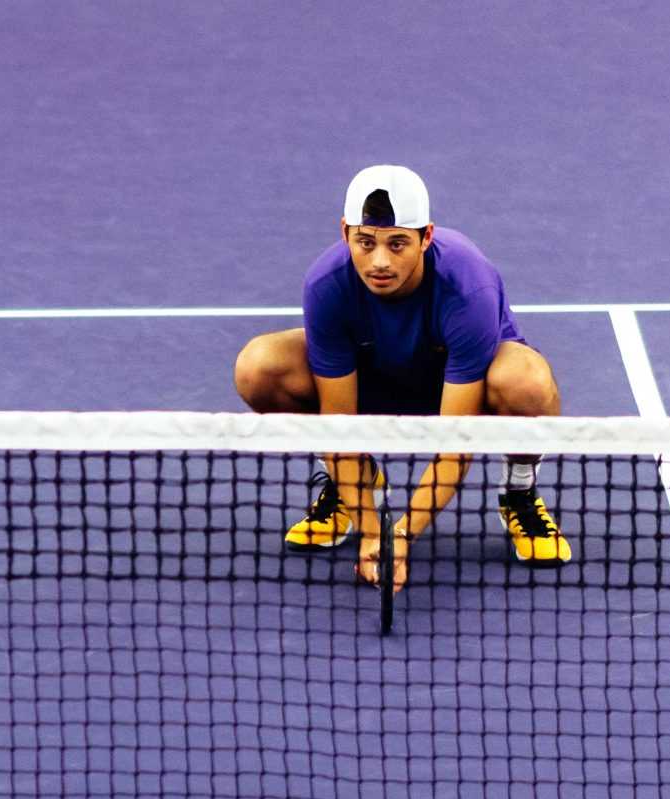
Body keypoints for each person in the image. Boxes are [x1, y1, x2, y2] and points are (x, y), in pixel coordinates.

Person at [232, 164, 569, 590]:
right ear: (345, 233)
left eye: (397, 244)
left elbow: (454, 445)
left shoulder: (467, 287)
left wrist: (401, 535)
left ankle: (518, 491)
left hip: (465, 389)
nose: (379, 262)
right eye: (365, 242)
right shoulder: (327, 286)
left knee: (529, 383)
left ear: (426, 237)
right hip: (370, 382)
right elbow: (337, 425)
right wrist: (374, 535)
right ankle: (354, 486)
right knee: (259, 367)